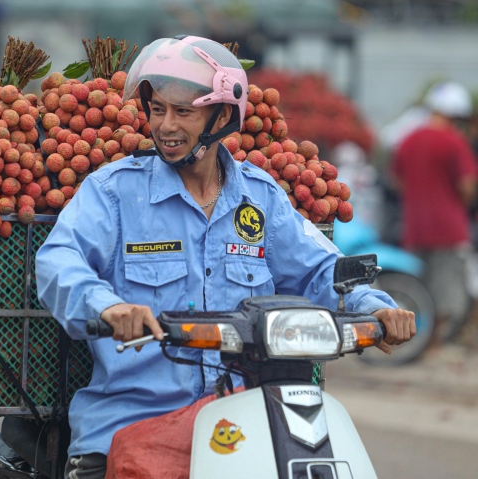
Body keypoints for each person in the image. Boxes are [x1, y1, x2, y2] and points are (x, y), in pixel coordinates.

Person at [35, 35, 415, 478]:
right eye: (157, 110)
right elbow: (58, 261)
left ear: (220, 115)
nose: (166, 125)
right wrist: (107, 306)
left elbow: (319, 270)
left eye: (183, 111)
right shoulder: (115, 192)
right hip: (131, 426)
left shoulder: (260, 197)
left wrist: (376, 308)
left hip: (241, 430)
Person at [390, 81, 478, 341]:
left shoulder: (407, 140)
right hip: (449, 231)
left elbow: (397, 182)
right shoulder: (454, 142)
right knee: (447, 293)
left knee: (420, 290)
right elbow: (467, 186)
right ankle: (437, 342)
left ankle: (418, 342)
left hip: (414, 229)